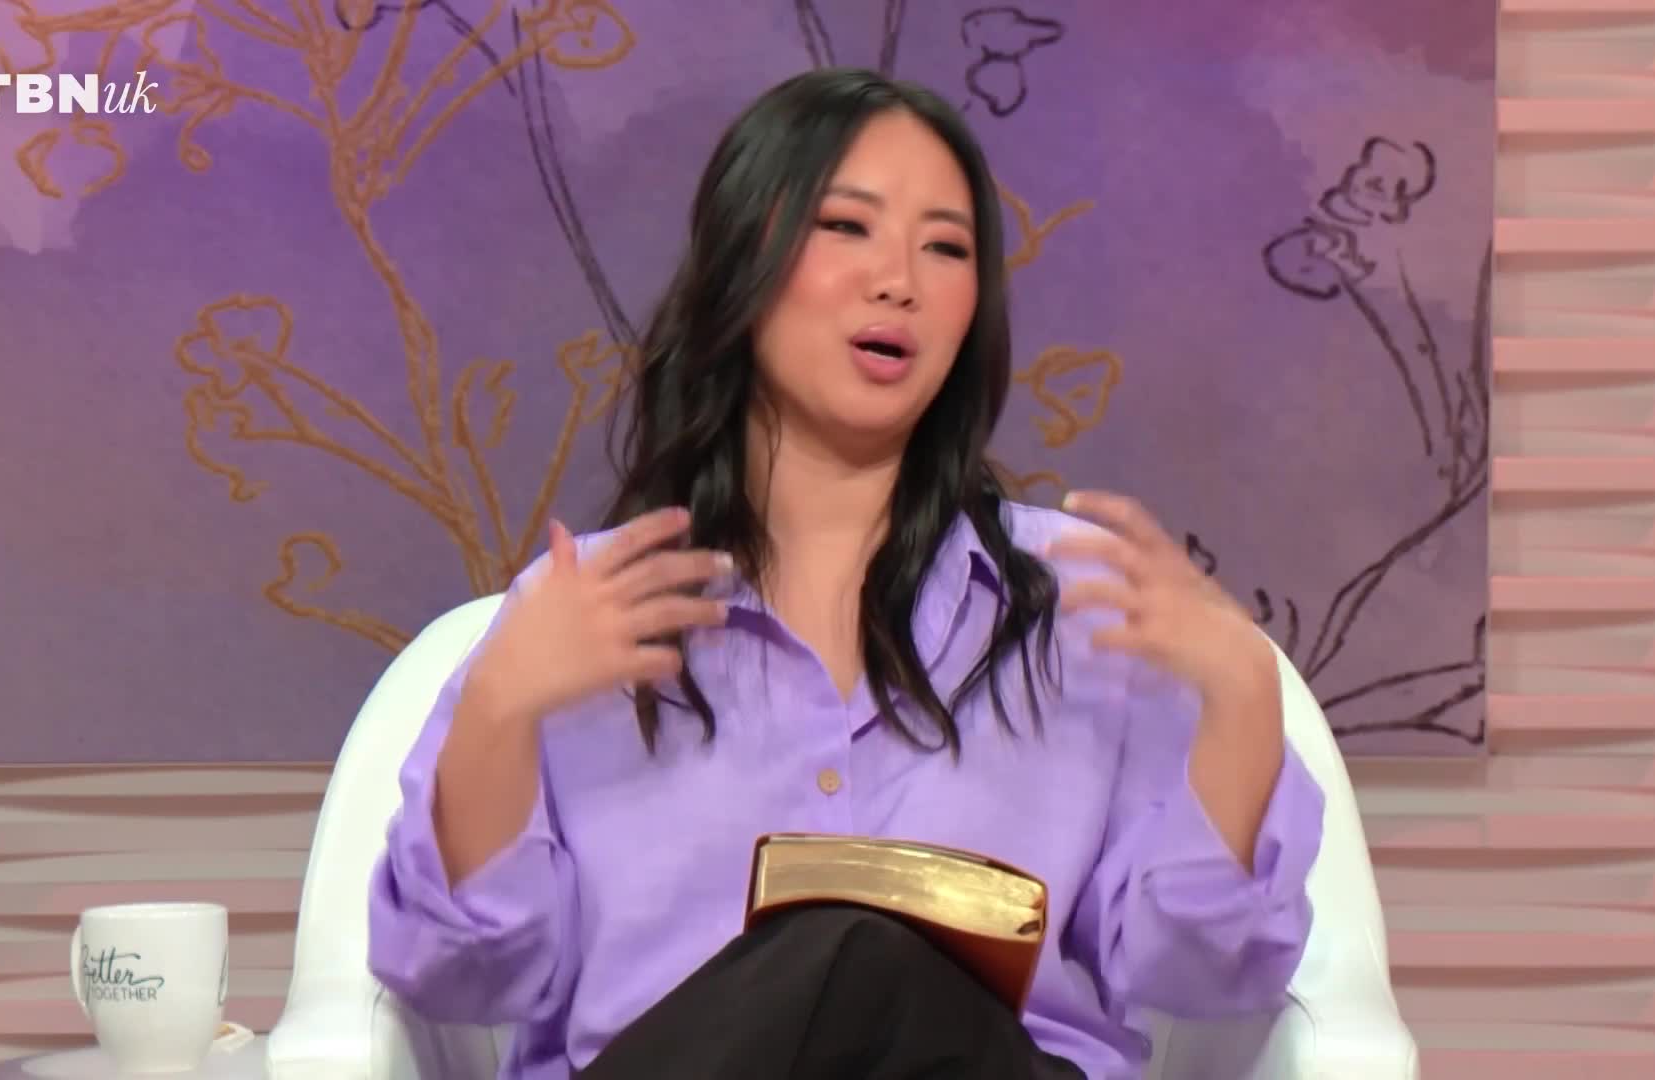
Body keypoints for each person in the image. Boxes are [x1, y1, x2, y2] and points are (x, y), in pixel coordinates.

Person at [367, 66, 1324, 1079]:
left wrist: (1243, 696)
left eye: (947, 248)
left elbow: (1210, 990)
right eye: (847, 227)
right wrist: (499, 715)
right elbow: (456, 989)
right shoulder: (580, 617)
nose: (900, 280)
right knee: (848, 956)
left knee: (868, 965)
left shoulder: (1082, 607)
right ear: (743, 260)